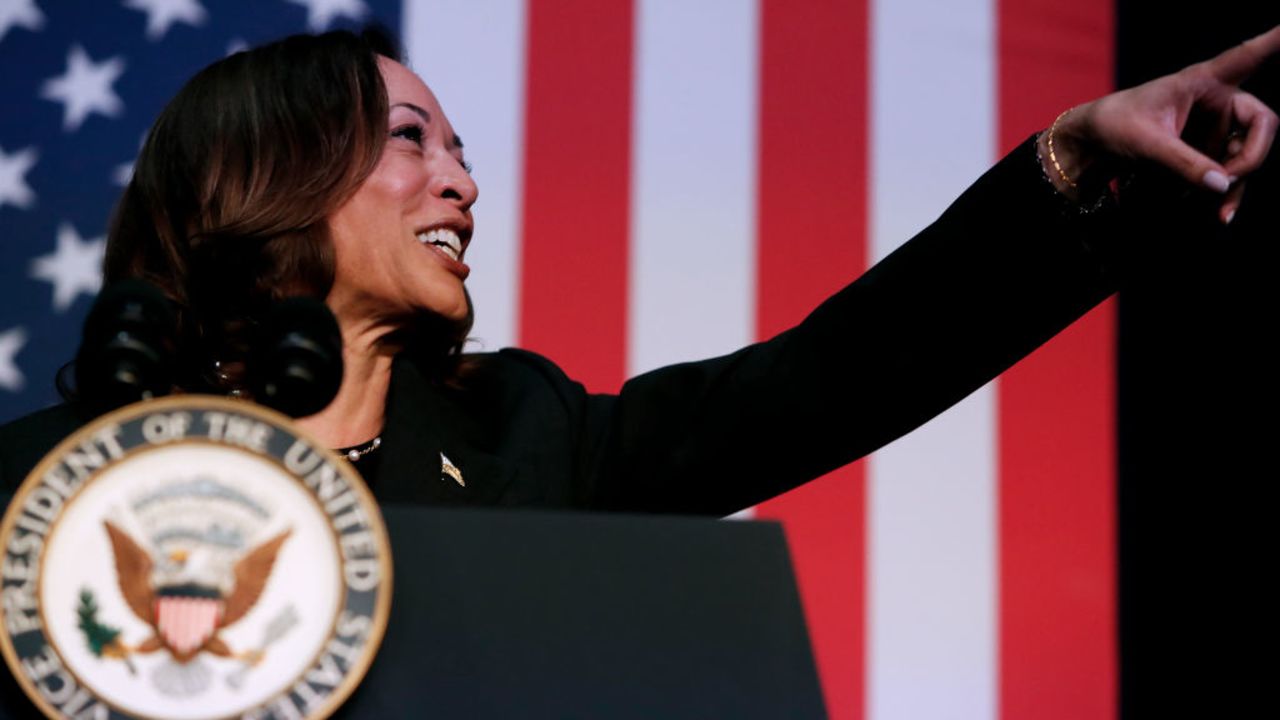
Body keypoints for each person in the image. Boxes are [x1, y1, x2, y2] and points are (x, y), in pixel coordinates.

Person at [0, 27, 1277, 513]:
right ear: (269, 171)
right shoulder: (43, 487)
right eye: (408, 140)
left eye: (461, 146)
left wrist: (1065, 163)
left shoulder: (536, 440)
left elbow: (838, 374)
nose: (463, 182)